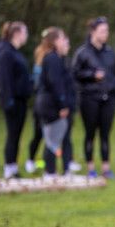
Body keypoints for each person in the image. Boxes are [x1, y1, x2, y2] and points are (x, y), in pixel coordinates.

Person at [72, 17, 115, 179]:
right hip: (89, 98)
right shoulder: (82, 53)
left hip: (108, 99)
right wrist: (92, 75)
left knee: (105, 134)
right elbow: (74, 74)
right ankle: (91, 168)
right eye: (102, 31)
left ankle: (106, 168)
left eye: (107, 31)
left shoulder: (110, 53)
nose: (105, 34)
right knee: (90, 134)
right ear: (93, 32)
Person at [35, 28, 75, 177]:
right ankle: (50, 171)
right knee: (53, 139)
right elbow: (55, 83)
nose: (65, 42)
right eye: (63, 39)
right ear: (55, 41)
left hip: (55, 104)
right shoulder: (52, 59)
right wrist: (63, 104)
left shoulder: (59, 58)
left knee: (62, 137)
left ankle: (65, 169)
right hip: (52, 106)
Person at [0, 21, 32, 179]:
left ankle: (13, 166)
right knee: (12, 134)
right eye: (25, 32)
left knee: (17, 134)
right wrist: (8, 99)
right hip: (13, 101)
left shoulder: (16, 52)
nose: (27, 36)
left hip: (21, 100)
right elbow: (4, 79)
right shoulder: (6, 52)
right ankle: (8, 167)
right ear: (17, 34)